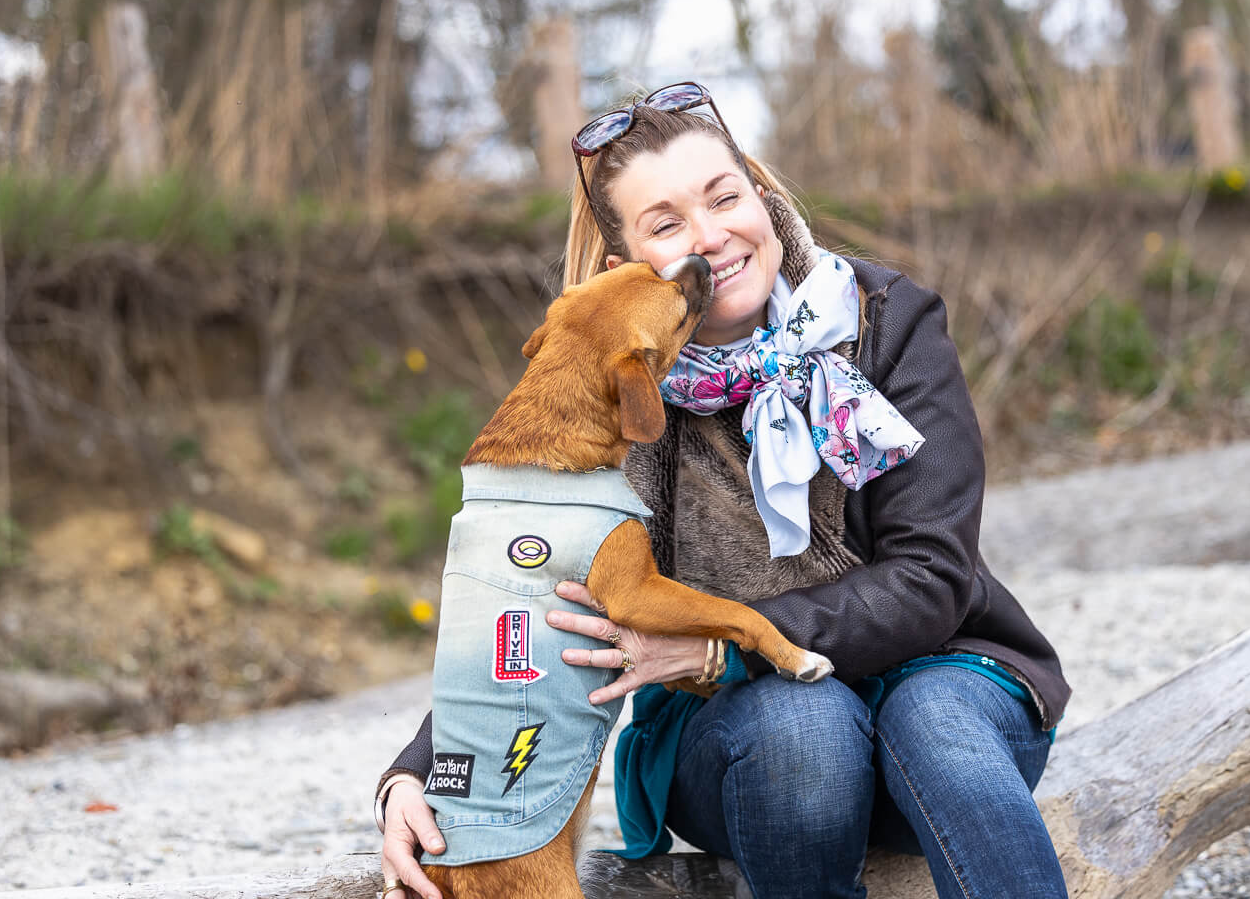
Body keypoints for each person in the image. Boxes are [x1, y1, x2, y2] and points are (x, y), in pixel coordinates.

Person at [375, 82, 1070, 899]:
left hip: (940, 678)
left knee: (938, 722)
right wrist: (422, 775)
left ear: (764, 199)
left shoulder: (886, 320)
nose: (709, 239)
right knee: (801, 728)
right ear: (623, 265)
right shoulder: (612, 387)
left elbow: (934, 576)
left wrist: (723, 642)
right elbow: (527, 594)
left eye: (724, 198)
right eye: (666, 224)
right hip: (748, 747)